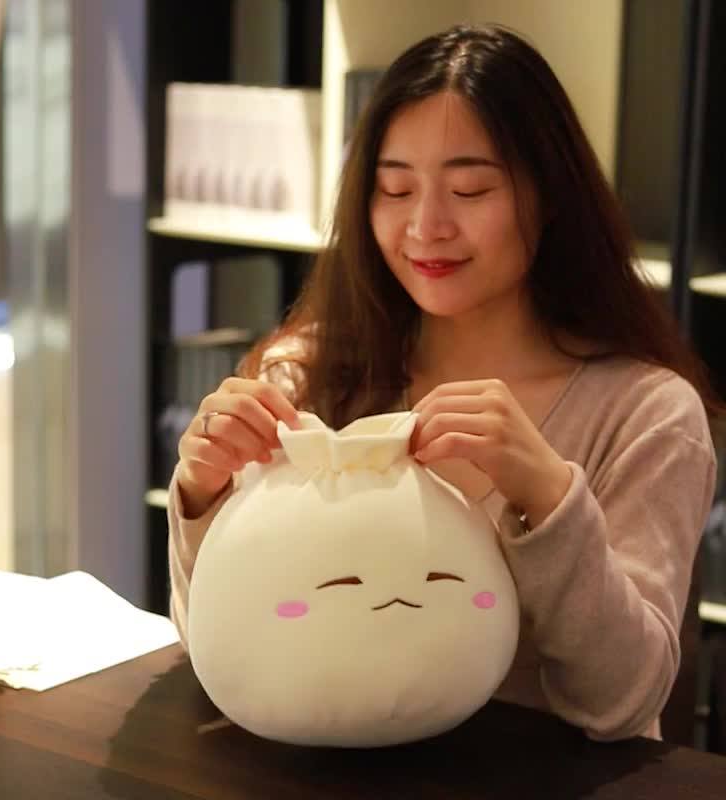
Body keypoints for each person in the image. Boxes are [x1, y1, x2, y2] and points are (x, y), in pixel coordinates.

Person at [167, 24, 721, 742]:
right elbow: (216, 648)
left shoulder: (646, 414)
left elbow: (621, 702)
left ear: (550, 194)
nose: (426, 226)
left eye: (469, 189)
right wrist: (203, 495)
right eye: (394, 189)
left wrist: (548, 497)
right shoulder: (306, 375)